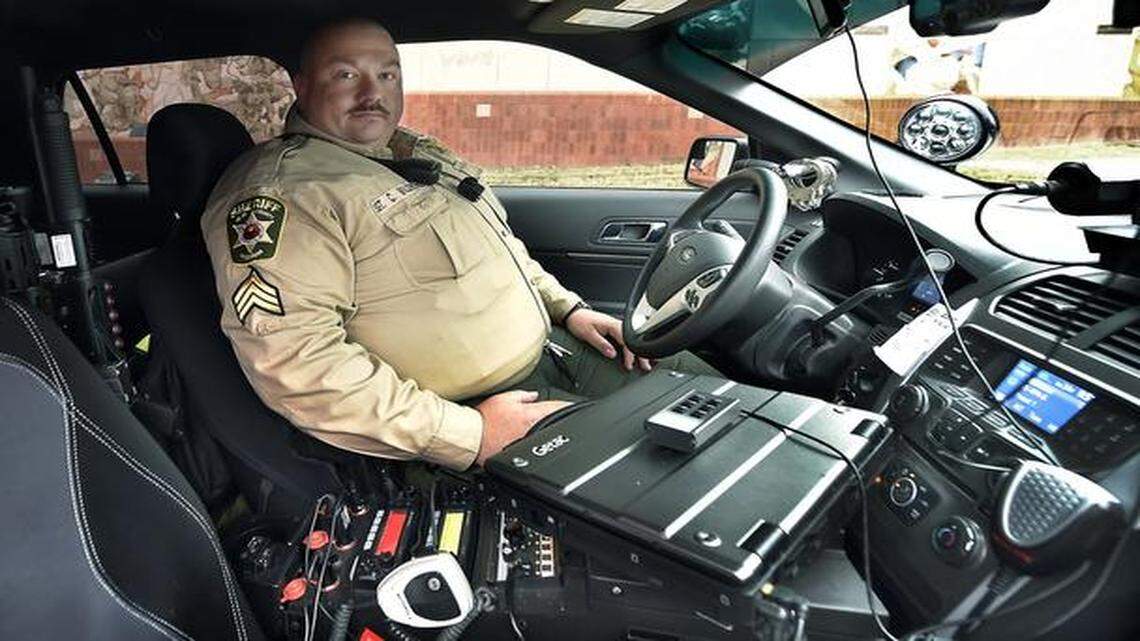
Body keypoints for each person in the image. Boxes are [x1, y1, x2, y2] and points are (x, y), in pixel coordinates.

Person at [201, 18, 717, 472]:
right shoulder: (284, 196)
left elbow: (497, 246)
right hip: (475, 413)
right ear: (301, 85)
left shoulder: (411, 152)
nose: (373, 93)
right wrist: (470, 435)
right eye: (345, 75)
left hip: (560, 348)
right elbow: (300, 365)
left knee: (722, 402)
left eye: (388, 74)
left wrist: (568, 308)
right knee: (684, 468)